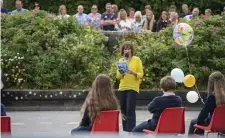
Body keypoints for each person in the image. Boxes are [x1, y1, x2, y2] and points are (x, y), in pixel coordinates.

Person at [116, 41, 144, 132]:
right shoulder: (121, 60)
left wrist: (133, 73)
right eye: (125, 49)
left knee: (130, 109)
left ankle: (131, 130)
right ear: (123, 51)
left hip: (133, 87)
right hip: (122, 87)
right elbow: (118, 77)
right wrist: (122, 73)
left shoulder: (137, 59)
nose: (127, 50)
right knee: (123, 109)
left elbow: (141, 74)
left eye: (128, 48)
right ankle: (126, 129)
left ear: (131, 50)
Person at [188, 71, 225, 136]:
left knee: (194, 122)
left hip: (214, 124)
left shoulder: (212, 96)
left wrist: (199, 122)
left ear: (211, 83)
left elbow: (202, 116)